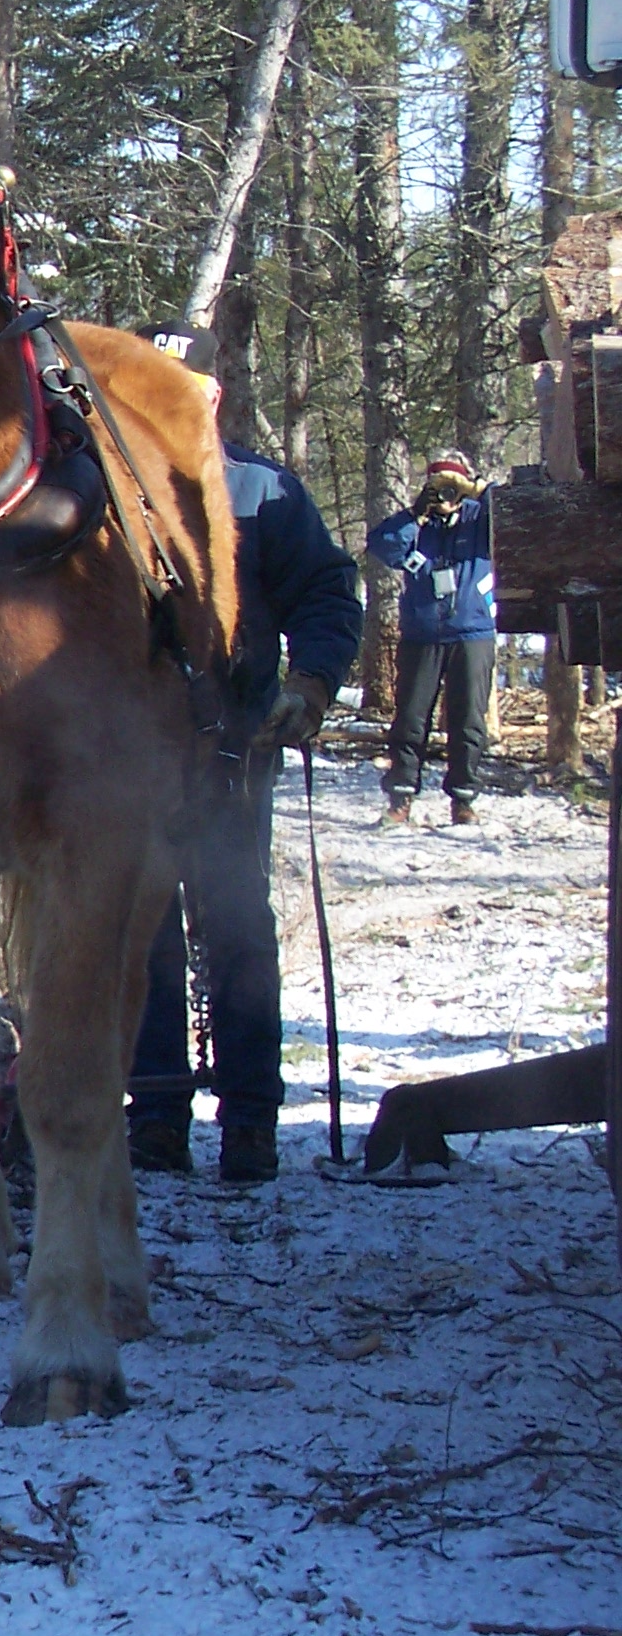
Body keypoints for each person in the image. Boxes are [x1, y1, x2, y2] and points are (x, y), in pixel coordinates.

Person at [126, 406, 360, 1186]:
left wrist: (311, 684)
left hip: (232, 752)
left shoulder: (261, 491)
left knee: (236, 929)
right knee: (141, 930)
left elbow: (327, 591)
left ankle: (250, 1120)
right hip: (123, 761)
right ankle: (155, 1115)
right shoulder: (99, 490)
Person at [370, 450, 497, 825]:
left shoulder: (479, 519)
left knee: (469, 721)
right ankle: (401, 796)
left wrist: (476, 490)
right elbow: (382, 545)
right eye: (439, 485)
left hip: (472, 631)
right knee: (410, 718)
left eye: (452, 485)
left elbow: (511, 517)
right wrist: (415, 514)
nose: (446, 494)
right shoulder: (418, 524)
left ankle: (463, 798)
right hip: (422, 633)